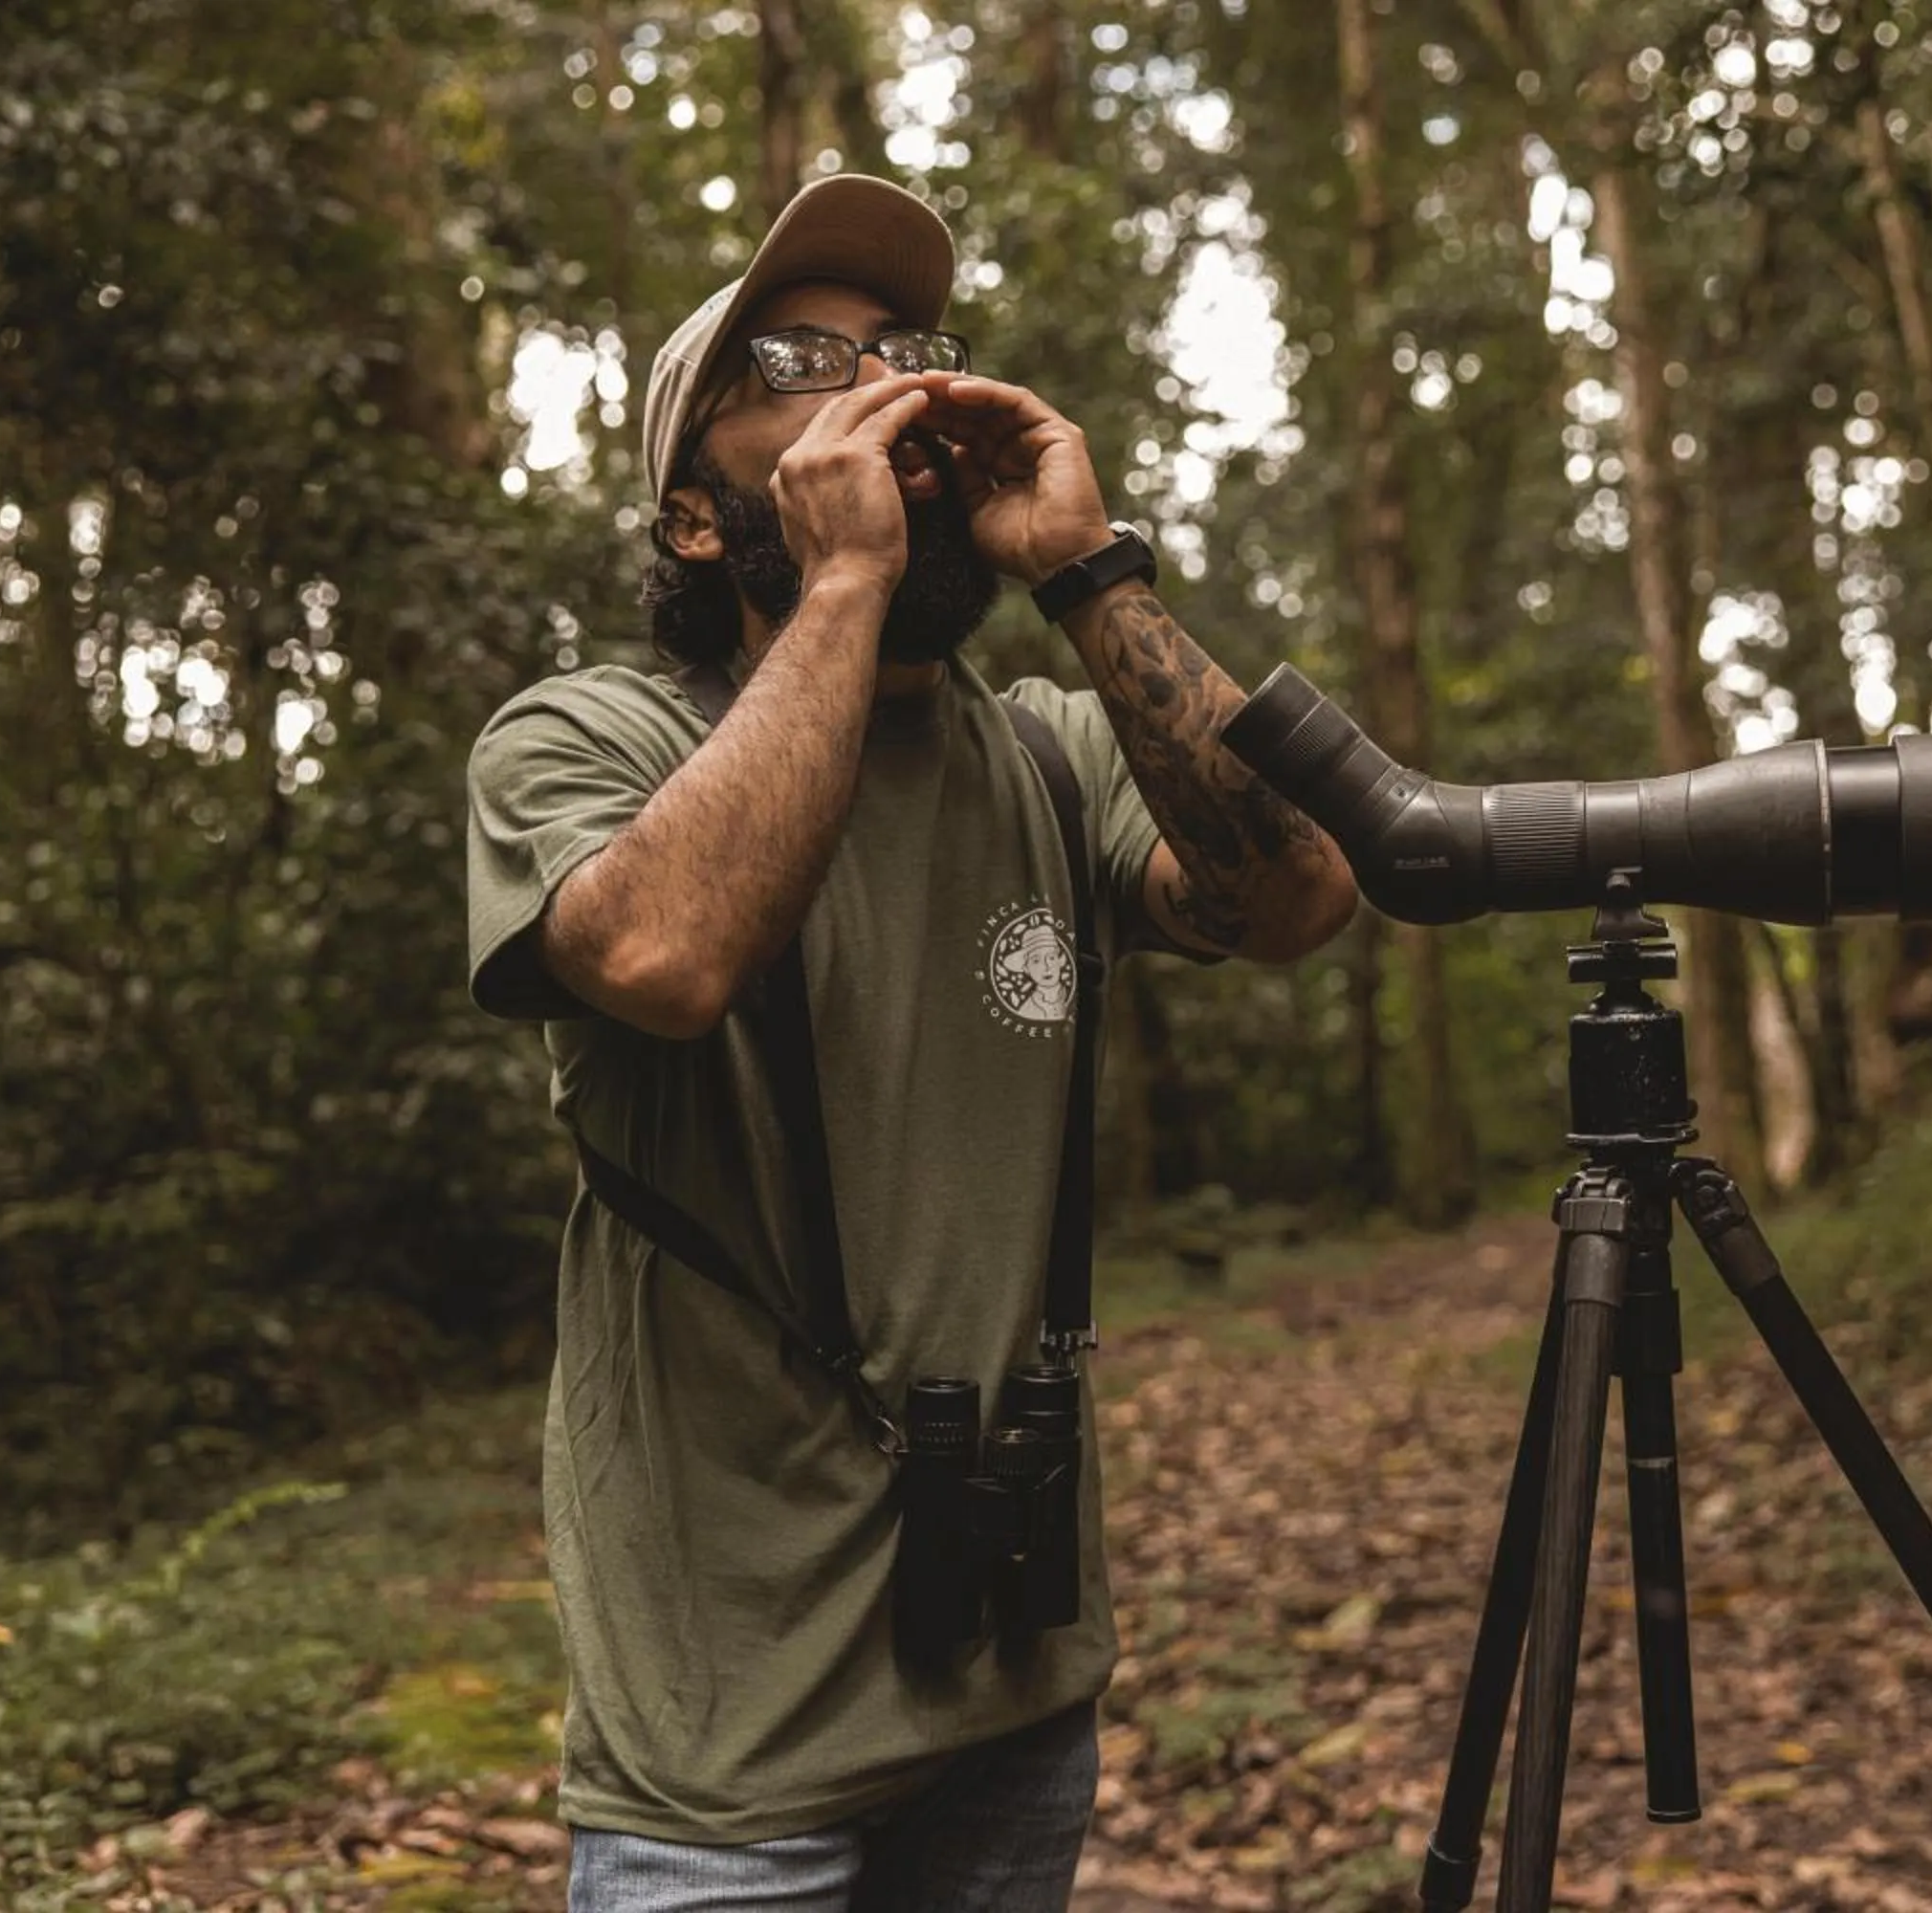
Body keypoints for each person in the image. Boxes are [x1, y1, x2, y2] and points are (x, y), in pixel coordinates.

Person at [462, 172, 1358, 1911]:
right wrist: (849, 579)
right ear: (698, 521)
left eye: (915, 353)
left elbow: (1301, 893)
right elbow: (662, 954)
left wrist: (1088, 573)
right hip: (728, 1756)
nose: (902, 396)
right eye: (805, 362)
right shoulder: (581, 742)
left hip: (1017, 1692)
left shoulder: (1042, 749)